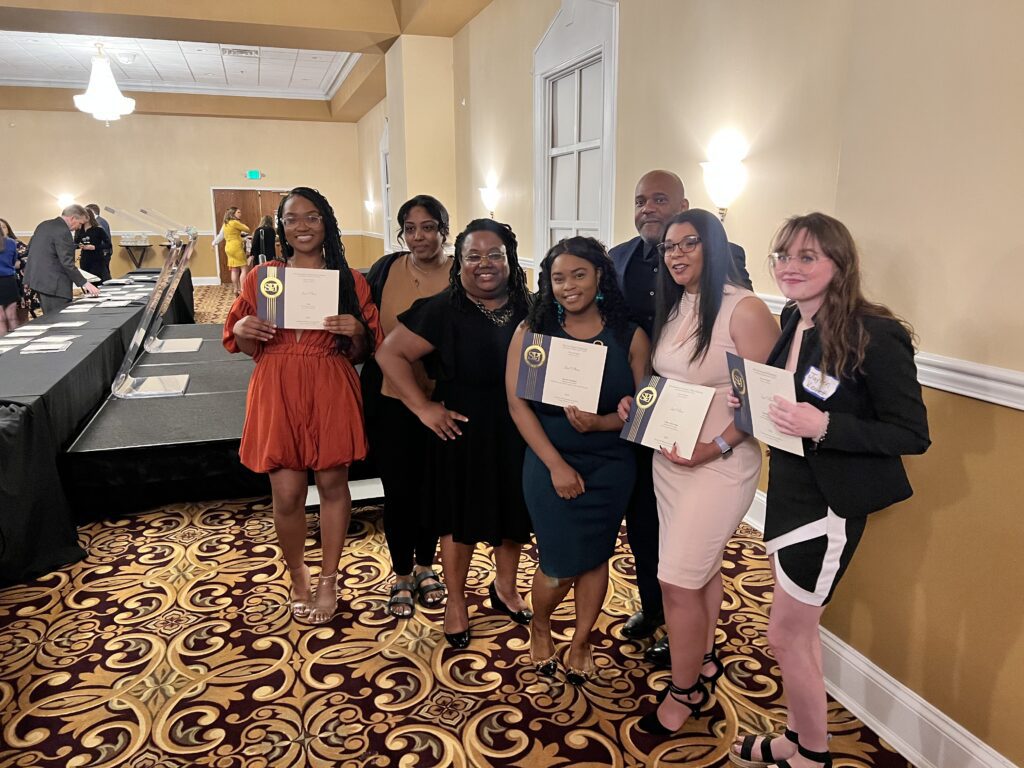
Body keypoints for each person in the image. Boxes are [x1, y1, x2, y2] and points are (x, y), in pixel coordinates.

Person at [729, 213, 929, 768]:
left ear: (839, 265)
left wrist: (823, 427)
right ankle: (794, 738)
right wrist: (751, 406)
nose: (790, 268)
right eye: (782, 256)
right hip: (789, 491)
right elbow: (789, 398)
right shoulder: (795, 318)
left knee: (786, 636)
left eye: (807, 257)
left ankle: (812, 755)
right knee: (799, 633)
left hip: (829, 506)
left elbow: (912, 434)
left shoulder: (878, 335)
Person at [617, 208, 779, 736]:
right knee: (699, 571)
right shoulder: (678, 305)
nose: (677, 254)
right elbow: (672, 382)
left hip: (720, 466)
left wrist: (713, 446)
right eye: (669, 247)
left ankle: (684, 689)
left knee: (675, 580)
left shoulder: (745, 310)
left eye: (689, 243)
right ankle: (704, 661)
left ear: (714, 246)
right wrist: (636, 407)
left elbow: (765, 406)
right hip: (671, 463)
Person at [609, 169, 752, 666]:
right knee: (652, 535)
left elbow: (751, 386)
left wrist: (718, 445)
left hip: (713, 454)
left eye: (660, 199)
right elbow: (644, 357)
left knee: (683, 568)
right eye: (640, 199)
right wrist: (635, 401)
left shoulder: (733, 290)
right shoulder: (623, 263)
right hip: (660, 438)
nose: (648, 207)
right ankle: (667, 622)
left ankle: (687, 657)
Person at [223, 187, 383, 625]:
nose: (303, 226)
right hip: (277, 381)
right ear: (282, 227)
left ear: (326, 222)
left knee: (333, 485)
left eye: (312, 217)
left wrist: (356, 331)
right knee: (288, 493)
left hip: (329, 380)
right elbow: (235, 335)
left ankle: (329, 577)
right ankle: (298, 576)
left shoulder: (349, 279)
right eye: (293, 219)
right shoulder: (263, 276)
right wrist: (243, 324)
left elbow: (365, 349)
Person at [376, 218, 534, 650]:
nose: (485, 264)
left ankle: (505, 588)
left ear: (510, 259)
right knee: (457, 519)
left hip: (518, 426)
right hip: (460, 426)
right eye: (473, 256)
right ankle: (457, 603)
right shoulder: (443, 307)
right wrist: (423, 407)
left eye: (495, 255)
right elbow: (388, 354)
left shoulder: (530, 306)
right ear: (459, 261)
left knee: (512, 512)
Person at [506, 236, 649, 684]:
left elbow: (644, 410)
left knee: (595, 557)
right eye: (558, 277)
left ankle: (583, 638)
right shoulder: (534, 330)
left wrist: (603, 423)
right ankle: (542, 623)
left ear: (600, 276)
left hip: (611, 464)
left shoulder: (630, 335)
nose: (569, 286)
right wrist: (556, 465)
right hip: (551, 461)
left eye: (579, 274)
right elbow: (517, 406)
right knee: (556, 565)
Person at [361, 195, 452, 619]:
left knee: (434, 486)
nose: (419, 236)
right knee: (398, 489)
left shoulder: (463, 271)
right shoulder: (384, 270)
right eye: (410, 228)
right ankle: (399, 573)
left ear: (443, 231)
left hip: (443, 400)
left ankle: (425, 566)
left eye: (428, 226)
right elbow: (366, 331)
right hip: (391, 399)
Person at [23, 205, 100, 313]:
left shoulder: (43, 225)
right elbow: (67, 262)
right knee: (59, 322)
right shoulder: (63, 232)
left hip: (38, 282)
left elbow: (30, 251)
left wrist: (27, 278)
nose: (79, 228)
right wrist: (85, 283)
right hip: (55, 286)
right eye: (80, 223)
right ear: (73, 218)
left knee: (49, 318)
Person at [0, 217, 33, 323]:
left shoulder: (15, 243)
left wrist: (20, 263)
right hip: (6, 279)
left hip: (20, 280)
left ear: (8, 229)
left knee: (21, 314)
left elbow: (29, 258)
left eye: (4, 227)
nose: (2, 229)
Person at [75, 207, 113, 283]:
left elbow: (108, 244)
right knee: (87, 280)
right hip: (85, 259)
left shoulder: (98, 229)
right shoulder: (79, 230)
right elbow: (75, 243)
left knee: (98, 280)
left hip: (97, 259)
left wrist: (95, 247)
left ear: (88, 216)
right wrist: (80, 246)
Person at [222, 207, 251, 295]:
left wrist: (240, 236)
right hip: (236, 247)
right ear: (233, 213)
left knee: (234, 269)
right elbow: (247, 229)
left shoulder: (225, 224)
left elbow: (232, 235)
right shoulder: (235, 222)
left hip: (228, 247)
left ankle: (236, 289)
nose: (240, 214)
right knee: (244, 268)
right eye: (238, 212)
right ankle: (243, 289)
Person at [0, 232, 21, 335]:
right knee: (12, 316)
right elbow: (13, 261)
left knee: (0, 319)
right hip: (9, 280)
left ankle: (3, 348)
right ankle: (17, 345)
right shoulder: (11, 242)